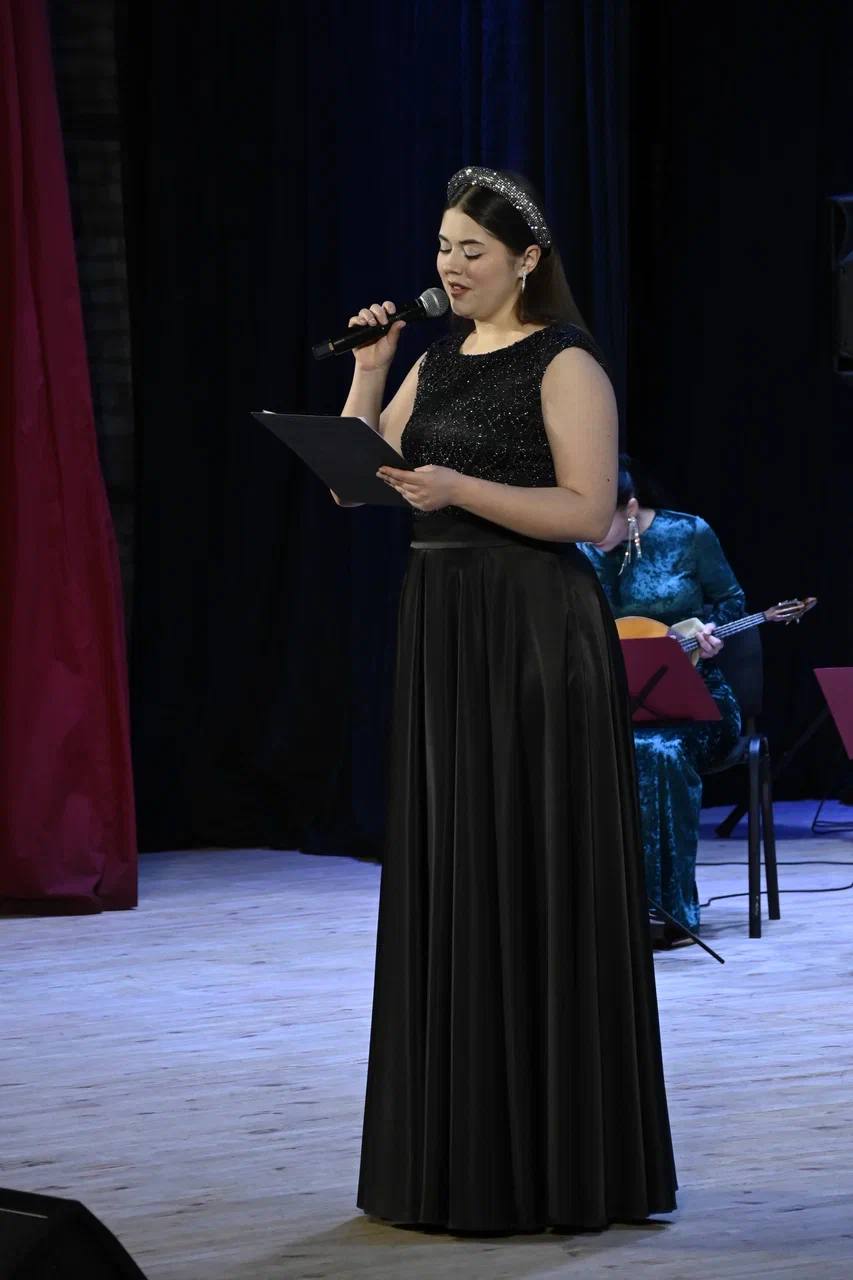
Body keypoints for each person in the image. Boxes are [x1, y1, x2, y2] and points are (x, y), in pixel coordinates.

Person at [336, 167, 676, 1232]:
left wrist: (459, 488)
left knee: (528, 862)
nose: (449, 265)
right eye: (442, 247)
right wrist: (369, 374)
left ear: (525, 259)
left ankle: (554, 1157)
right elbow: (356, 480)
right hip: (445, 626)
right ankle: (463, 1148)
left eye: (470, 250)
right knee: (458, 865)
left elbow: (585, 511)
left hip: (532, 626)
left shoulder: (566, 361)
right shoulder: (433, 359)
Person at [580, 458, 746, 935]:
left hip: (694, 698)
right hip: (608, 699)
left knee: (657, 750)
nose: (589, 533)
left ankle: (665, 913)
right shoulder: (576, 546)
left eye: (601, 520)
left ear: (630, 508)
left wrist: (710, 632)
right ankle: (587, 914)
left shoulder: (688, 534)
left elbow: (732, 601)